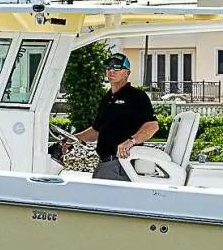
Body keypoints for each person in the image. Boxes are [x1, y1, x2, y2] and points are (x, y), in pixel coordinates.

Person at [62, 52, 159, 181]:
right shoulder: (107, 98)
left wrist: (131, 141)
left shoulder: (137, 96)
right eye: (109, 67)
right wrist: (72, 139)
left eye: (117, 67)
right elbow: (96, 131)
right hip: (105, 163)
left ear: (127, 73)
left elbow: (152, 126)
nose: (112, 70)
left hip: (122, 164)